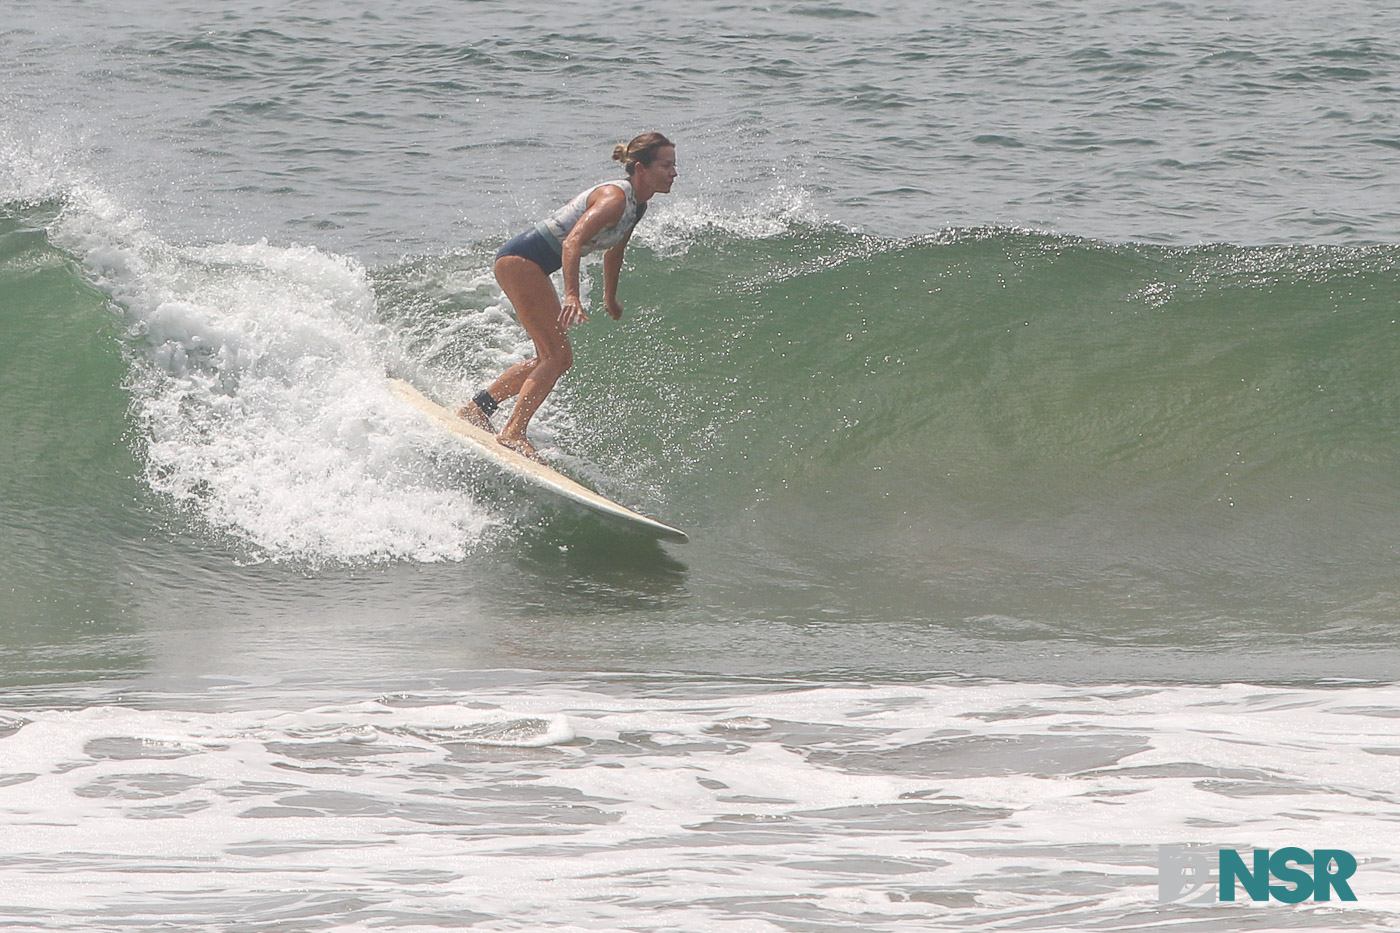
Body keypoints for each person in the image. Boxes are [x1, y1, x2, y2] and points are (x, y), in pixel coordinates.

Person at [458, 132, 677, 462]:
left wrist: (610, 296)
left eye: (674, 165)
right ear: (641, 169)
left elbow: (615, 251)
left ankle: (478, 409)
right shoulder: (614, 198)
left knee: (544, 360)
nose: (674, 172)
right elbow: (573, 242)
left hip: (529, 265)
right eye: (666, 165)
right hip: (521, 262)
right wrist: (571, 295)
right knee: (558, 358)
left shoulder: (637, 206)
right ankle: (513, 432)